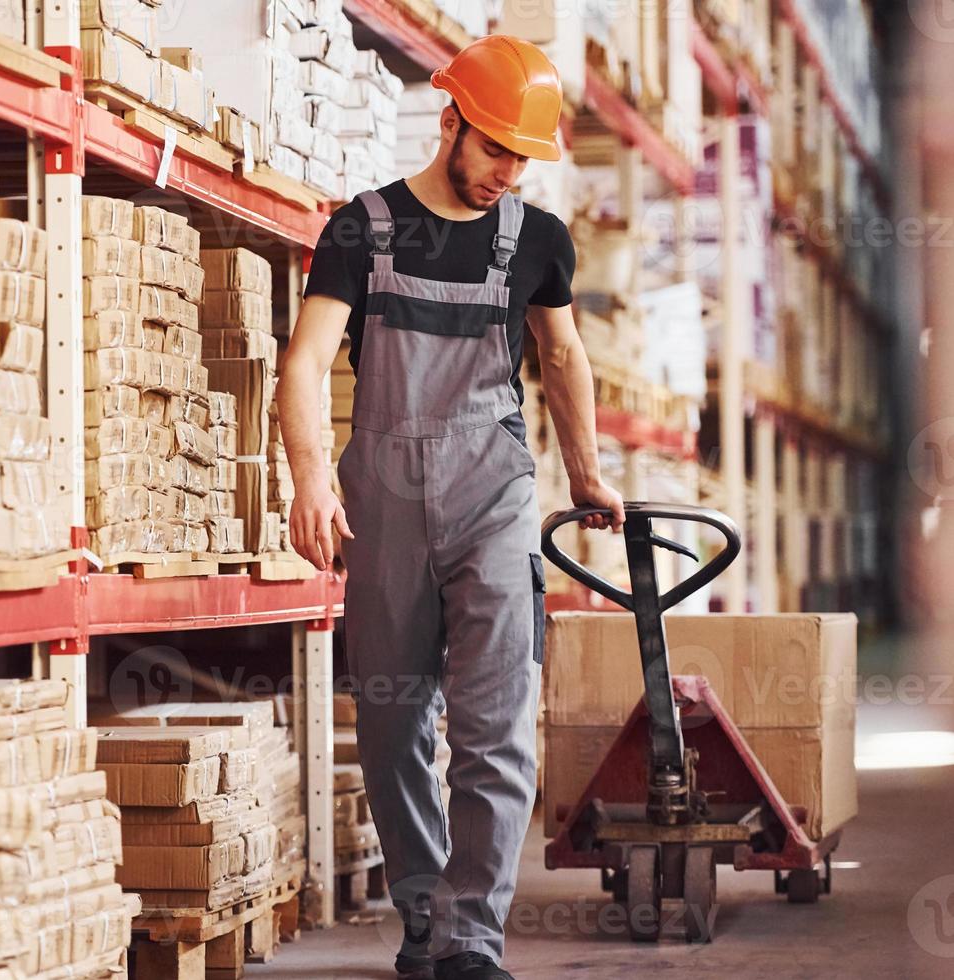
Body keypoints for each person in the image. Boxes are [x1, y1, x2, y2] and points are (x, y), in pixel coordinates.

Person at [276, 35, 626, 980]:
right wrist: (311, 477)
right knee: (392, 726)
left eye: (522, 157)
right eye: (495, 150)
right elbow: (305, 362)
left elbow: (561, 359)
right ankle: (425, 913)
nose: (506, 174)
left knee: (494, 723)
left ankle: (471, 940)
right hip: (380, 501)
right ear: (449, 124)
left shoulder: (538, 240)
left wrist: (586, 474)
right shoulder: (360, 229)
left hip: (492, 496)